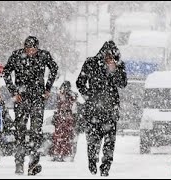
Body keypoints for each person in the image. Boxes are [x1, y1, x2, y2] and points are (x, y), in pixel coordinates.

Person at [3, 36, 58, 175]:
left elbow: (54, 69)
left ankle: (33, 164)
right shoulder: (16, 55)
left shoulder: (43, 55)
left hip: (38, 98)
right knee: (20, 131)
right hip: (21, 98)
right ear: (24, 47)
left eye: (33, 49)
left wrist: (48, 88)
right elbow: (6, 72)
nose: (30, 52)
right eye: (28, 49)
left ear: (37, 48)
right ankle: (19, 163)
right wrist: (13, 92)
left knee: (35, 132)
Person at [76, 40, 127, 177]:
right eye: (108, 56)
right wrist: (88, 97)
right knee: (93, 140)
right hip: (94, 109)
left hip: (111, 110)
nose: (110, 59)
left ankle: (106, 167)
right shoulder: (91, 63)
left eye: (113, 57)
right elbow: (80, 82)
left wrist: (114, 69)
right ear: (103, 53)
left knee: (110, 142)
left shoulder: (118, 65)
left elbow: (123, 84)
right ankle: (92, 161)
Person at [51, 81, 78, 162]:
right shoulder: (63, 96)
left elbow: (72, 108)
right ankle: (60, 153)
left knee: (63, 137)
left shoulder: (69, 96)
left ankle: (62, 154)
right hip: (63, 119)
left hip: (65, 119)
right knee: (62, 137)